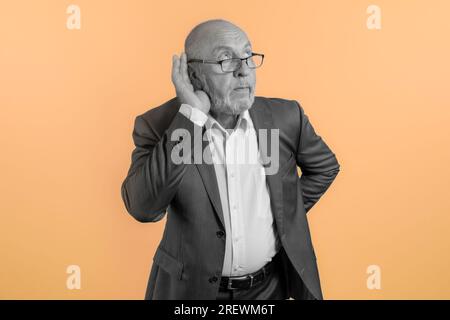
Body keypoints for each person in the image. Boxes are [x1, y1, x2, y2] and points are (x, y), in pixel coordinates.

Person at [121, 19, 340, 300]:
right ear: (193, 74)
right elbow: (143, 207)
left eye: (248, 57)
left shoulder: (285, 118)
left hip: (269, 290)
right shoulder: (161, 125)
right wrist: (191, 117)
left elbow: (324, 168)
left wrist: (283, 214)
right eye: (226, 60)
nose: (243, 71)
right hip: (191, 292)